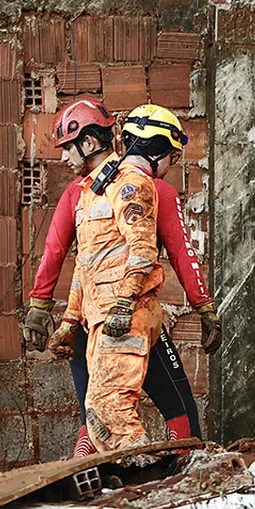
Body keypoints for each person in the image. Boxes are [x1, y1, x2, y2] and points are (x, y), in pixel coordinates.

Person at [25, 99, 218, 456]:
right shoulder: (152, 189)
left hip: (98, 316)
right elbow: (182, 254)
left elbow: (55, 250)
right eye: (172, 157)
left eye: (67, 149)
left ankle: (99, 468)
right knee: (172, 406)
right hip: (122, 314)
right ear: (158, 152)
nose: (172, 165)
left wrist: (43, 307)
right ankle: (177, 465)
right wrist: (204, 306)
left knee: (97, 410)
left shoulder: (84, 190)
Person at [49, 105, 188, 451]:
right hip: (101, 318)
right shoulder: (91, 190)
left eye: (68, 148)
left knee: (112, 410)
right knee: (99, 412)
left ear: (90, 143)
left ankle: (144, 472)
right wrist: (69, 321)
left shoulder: (129, 184)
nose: (64, 157)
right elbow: (85, 264)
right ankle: (136, 471)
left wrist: (125, 302)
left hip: (125, 317)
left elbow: (143, 250)